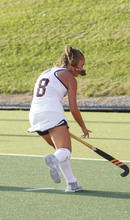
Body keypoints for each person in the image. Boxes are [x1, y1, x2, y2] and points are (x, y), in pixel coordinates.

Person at [28, 45, 91, 193]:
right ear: (72, 64)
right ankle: (54, 160)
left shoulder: (47, 72)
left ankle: (72, 183)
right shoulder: (70, 78)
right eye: (81, 65)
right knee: (65, 150)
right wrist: (83, 127)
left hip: (35, 115)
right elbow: (73, 109)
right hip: (52, 112)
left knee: (59, 150)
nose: (82, 69)